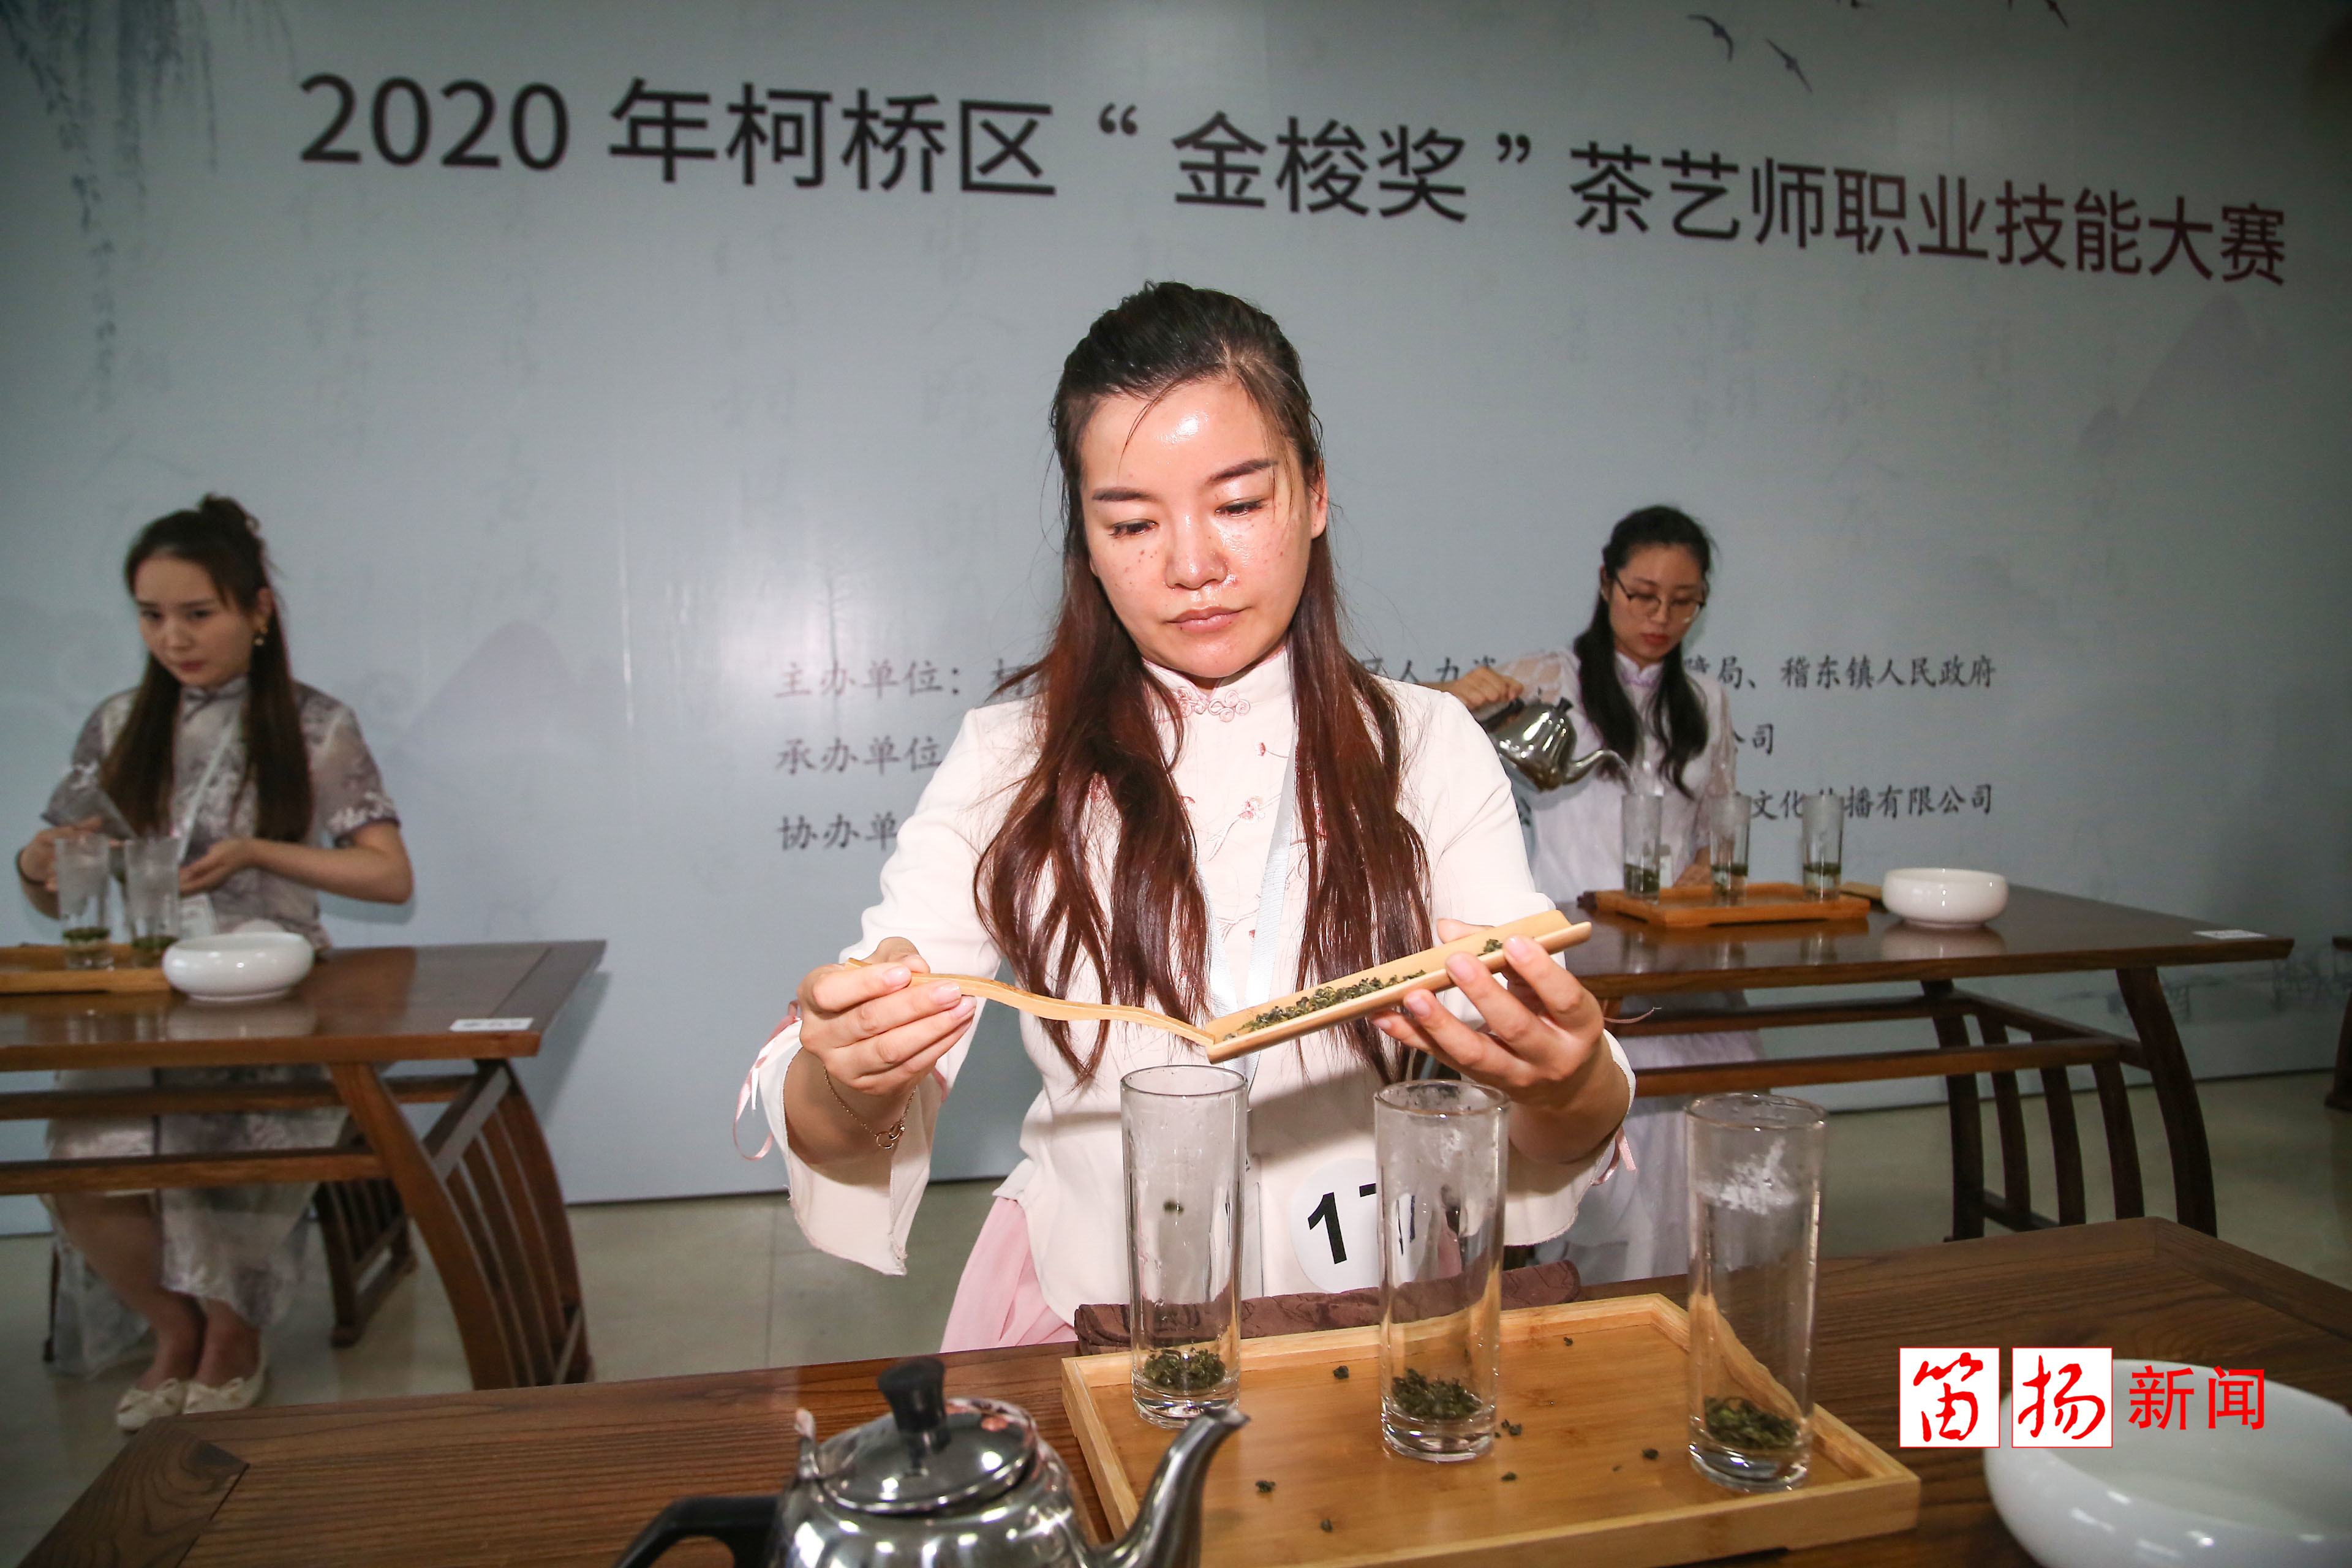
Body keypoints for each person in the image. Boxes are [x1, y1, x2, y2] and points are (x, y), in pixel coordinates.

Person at [748, 284, 1633, 1349]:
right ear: (1086, 540)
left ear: (1314, 495)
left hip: (1375, 1313)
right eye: (1131, 523)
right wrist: (849, 1073)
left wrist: (1567, 1080)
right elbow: (836, 1118)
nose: (1192, 567)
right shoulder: (1012, 759)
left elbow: (1557, 1114)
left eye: (1240, 505)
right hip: (1089, 1309)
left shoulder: (1427, 744)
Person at [15, 496, 412, 1428]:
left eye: (198, 613)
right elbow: (56, 891)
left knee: (212, 1128)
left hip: (272, 988)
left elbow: (390, 876)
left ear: (258, 611)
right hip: (150, 985)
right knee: (82, 1147)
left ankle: (232, 1332)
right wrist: (38, 864)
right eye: (152, 616)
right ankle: (173, 1327)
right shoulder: (118, 725)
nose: (174, 639)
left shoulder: (315, 724)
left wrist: (257, 852)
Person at [1433, 505, 1762, 1284]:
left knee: (1715, 1087)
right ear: (1607, 584)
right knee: (1611, 1099)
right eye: (1643, 594)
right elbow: (1421, 738)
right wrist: (1454, 697)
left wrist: (1708, 872)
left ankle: (1701, 1288)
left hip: (1669, 955)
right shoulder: (1551, 680)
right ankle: (1598, 1287)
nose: (1660, 617)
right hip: (1573, 951)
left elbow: (1717, 833)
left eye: (1684, 602)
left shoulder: (1707, 701)